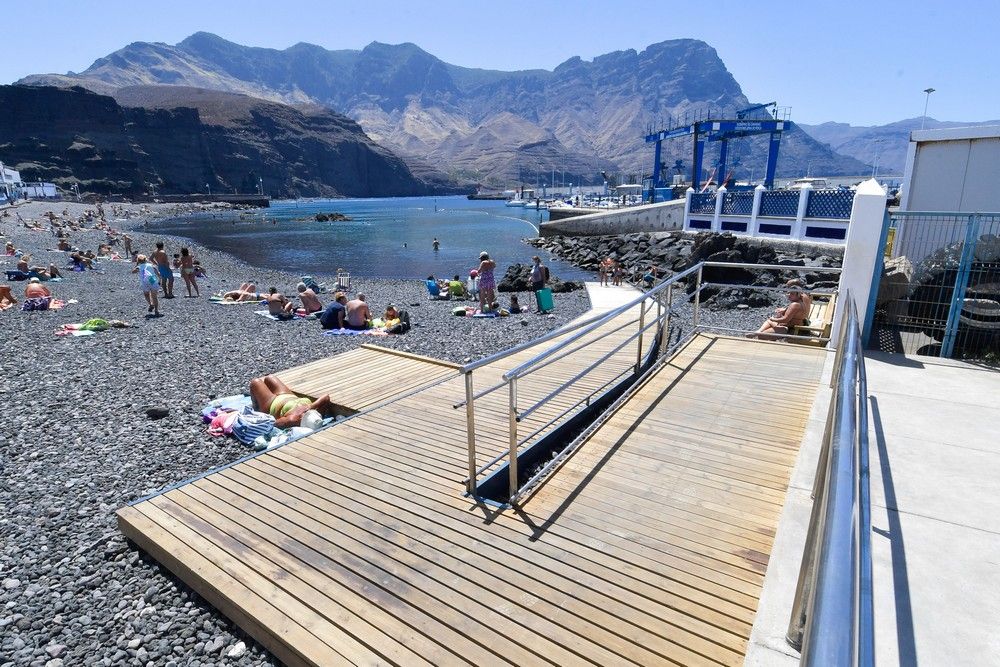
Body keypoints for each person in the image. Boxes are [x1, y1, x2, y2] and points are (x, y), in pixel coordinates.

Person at [249, 375, 333, 429]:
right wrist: (310, 407)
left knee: (255, 382)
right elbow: (326, 397)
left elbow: (275, 424)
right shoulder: (316, 411)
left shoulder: (293, 419)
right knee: (269, 378)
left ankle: (256, 408)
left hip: (272, 404)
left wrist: (294, 416)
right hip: (287, 395)